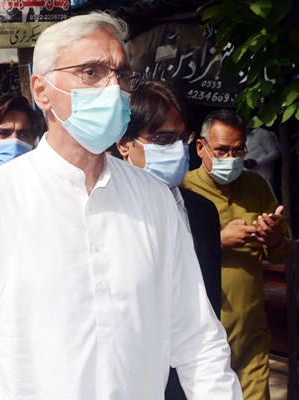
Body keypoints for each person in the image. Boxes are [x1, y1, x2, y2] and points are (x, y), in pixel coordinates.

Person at [0, 12, 242, 399]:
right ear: (42, 90)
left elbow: (197, 339)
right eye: (90, 72)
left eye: (121, 75)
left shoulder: (154, 200)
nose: (113, 87)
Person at [115, 80, 222, 400]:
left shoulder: (202, 213)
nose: (176, 149)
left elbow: (208, 307)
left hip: (191, 381)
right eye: (162, 139)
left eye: (181, 138)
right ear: (124, 143)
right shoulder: (106, 212)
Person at [181, 109, 291, 400]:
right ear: (201, 148)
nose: (230, 159)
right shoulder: (183, 189)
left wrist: (275, 237)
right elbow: (168, 256)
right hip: (202, 336)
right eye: (221, 150)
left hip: (251, 331)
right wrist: (217, 242)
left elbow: (280, 253)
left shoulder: (255, 186)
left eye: (237, 150)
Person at [244, 126, 280, 190]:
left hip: (262, 175)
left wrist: (257, 162)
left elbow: (275, 152)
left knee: (265, 198)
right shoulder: (241, 134)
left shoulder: (264, 134)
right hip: (245, 176)